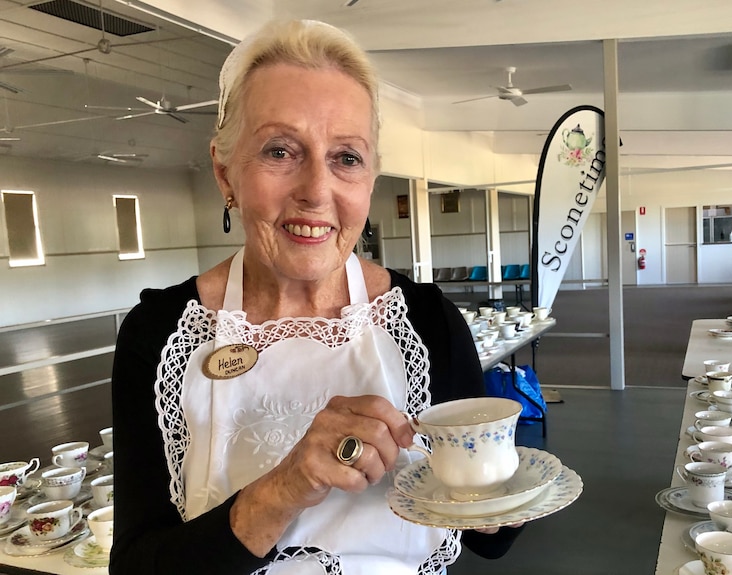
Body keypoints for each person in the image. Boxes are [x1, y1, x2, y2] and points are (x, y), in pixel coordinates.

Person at [110, 18, 523, 575]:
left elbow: (488, 540)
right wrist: (285, 486)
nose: (315, 192)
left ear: (370, 179)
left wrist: (504, 497)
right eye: (280, 151)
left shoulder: (427, 322)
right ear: (225, 172)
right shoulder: (159, 332)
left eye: (346, 158)